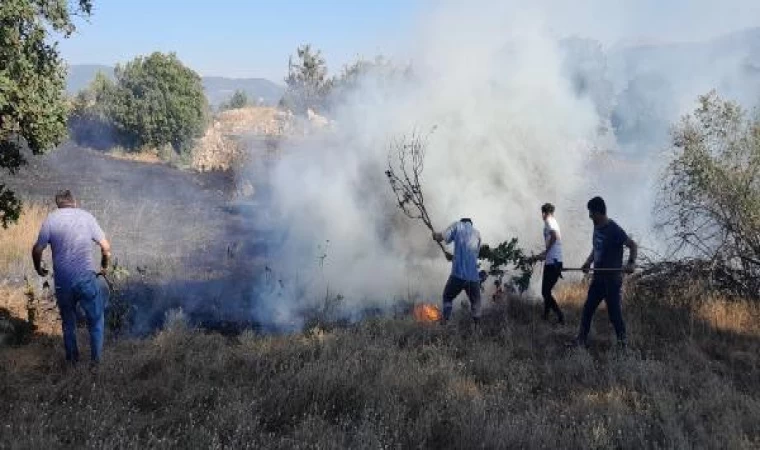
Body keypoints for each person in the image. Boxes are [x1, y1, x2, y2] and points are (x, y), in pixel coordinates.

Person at [32, 190, 111, 365]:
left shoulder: (51, 219)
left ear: (58, 204)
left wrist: (38, 269)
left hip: (63, 283)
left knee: (68, 325)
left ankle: (72, 363)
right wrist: (104, 266)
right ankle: (96, 364)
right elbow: (106, 246)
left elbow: (37, 249)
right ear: (74, 202)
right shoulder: (87, 217)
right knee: (96, 321)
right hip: (86, 280)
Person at [575, 196, 637, 348]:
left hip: (612, 281)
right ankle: (581, 341)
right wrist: (589, 262)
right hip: (598, 279)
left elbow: (633, 245)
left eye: (591, 213)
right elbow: (596, 247)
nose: (589, 216)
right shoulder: (596, 226)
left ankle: (623, 347)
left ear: (598, 212)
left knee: (614, 316)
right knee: (587, 310)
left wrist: (631, 263)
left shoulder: (614, 229)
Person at [433, 218, 482, 325]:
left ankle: (445, 321)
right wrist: (453, 257)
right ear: (470, 224)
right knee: (476, 303)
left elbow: (442, 237)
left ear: (462, 221)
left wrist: (435, 236)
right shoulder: (477, 234)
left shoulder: (457, 226)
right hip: (473, 277)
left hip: (458, 275)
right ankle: (477, 329)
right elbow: (472, 255)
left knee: (447, 297)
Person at [530, 203, 565, 324]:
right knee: (546, 291)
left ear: (545, 213)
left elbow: (555, 236)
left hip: (554, 262)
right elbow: (553, 240)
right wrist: (542, 255)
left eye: (542, 213)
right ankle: (545, 316)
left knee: (545, 292)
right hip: (551, 261)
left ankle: (560, 316)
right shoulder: (551, 222)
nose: (542, 215)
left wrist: (545, 252)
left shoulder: (550, 221)